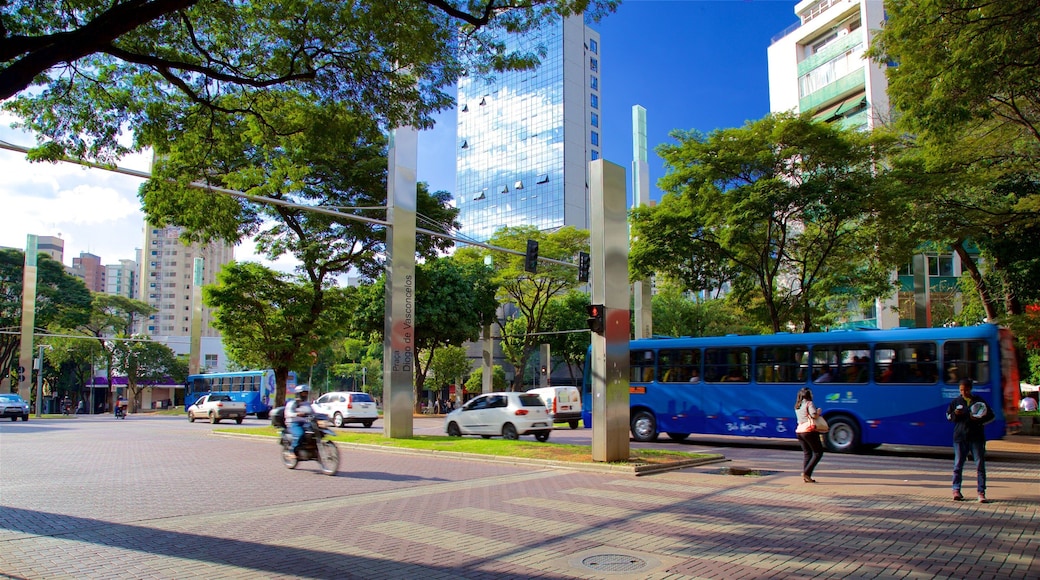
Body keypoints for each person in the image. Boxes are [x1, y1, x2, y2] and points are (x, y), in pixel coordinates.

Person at [946, 378, 995, 503]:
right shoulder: (956, 401)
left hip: (976, 437)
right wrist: (956, 414)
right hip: (960, 437)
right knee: (958, 465)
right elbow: (949, 416)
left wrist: (978, 419)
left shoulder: (979, 401)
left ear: (970, 389)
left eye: (966, 390)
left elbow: (991, 416)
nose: (963, 392)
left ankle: (981, 492)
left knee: (979, 465)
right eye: (961, 390)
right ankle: (956, 490)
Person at [794, 387, 824, 483]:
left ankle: (806, 476)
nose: (813, 395)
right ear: (808, 395)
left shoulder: (797, 405)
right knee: (818, 453)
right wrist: (818, 412)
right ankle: (806, 473)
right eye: (811, 394)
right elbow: (814, 415)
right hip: (809, 431)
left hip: (799, 431)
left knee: (807, 454)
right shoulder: (809, 403)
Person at [285, 384, 313, 455]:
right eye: (303, 393)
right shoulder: (293, 403)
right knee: (300, 434)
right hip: (294, 423)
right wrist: (296, 414)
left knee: (315, 432)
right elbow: (288, 413)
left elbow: (313, 412)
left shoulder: (307, 404)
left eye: (306, 393)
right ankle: (292, 451)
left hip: (306, 423)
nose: (305, 395)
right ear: (298, 394)